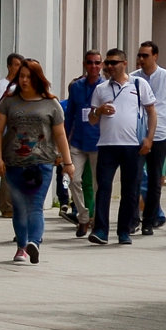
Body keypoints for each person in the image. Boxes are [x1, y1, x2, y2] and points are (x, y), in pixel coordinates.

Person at [0, 58, 76, 263]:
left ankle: (34, 243)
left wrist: (67, 162)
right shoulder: (9, 102)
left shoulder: (51, 104)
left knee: (35, 205)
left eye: (29, 77)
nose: (25, 80)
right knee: (19, 206)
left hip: (41, 163)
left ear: (38, 79)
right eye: (22, 76)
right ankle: (21, 245)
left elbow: (60, 135)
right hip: (14, 163)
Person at [87, 48, 156, 245]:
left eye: (113, 62)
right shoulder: (101, 89)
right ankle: (100, 230)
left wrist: (149, 139)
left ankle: (124, 230)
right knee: (104, 187)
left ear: (124, 64)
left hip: (131, 145)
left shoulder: (138, 84)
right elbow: (91, 120)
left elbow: (152, 112)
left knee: (130, 190)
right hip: (107, 144)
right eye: (107, 63)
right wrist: (99, 111)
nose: (109, 66)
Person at [131, 41, 166, 235]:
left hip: (159, 135)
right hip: (137, 134)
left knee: (155, 179)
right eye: (140, 55)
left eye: (145, 56)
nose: (141, 59)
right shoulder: (133, 78)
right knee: (134, 178)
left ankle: (149, 221)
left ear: (155, 56)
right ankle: (133, 219)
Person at [64, 50, 105, 237]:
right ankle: (82, 217)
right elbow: (70, 114)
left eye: (97, 63)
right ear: (84, 64)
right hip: (78, 141)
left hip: (99, 141)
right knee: (74, 180)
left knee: (99, 184)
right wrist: (64, 139)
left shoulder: (105, 86)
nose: (94, 66)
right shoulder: (76, 86)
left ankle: (97, 218)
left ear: (102, 65)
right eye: (90, 63)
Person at [0, 53, 25, 218]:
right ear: (9, 66)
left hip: (18, 132)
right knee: (8, 169)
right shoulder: (4, 85)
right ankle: (6, 206)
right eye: (16, 64)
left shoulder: (20, 85)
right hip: (7, 131)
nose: (18, 68)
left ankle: (1, 201)